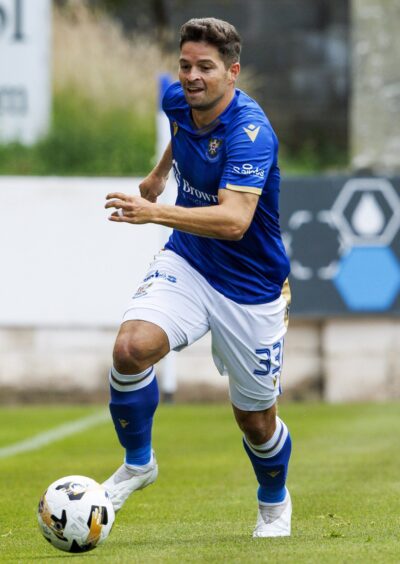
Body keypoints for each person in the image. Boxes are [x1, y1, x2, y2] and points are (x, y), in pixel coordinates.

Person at [103, 17, 292, 538]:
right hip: (188, 260)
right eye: (185, 65)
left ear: (232, 72)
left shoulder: (252, 133)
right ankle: (138, 463)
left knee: (256, 422)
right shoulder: (176, 100)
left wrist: (154, 212)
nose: (191, 77)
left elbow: (235, 222)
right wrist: (161, 174)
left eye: (205, 68)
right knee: (130, 349)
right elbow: (180, 129)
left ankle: (274, 503)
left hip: (250, 287)